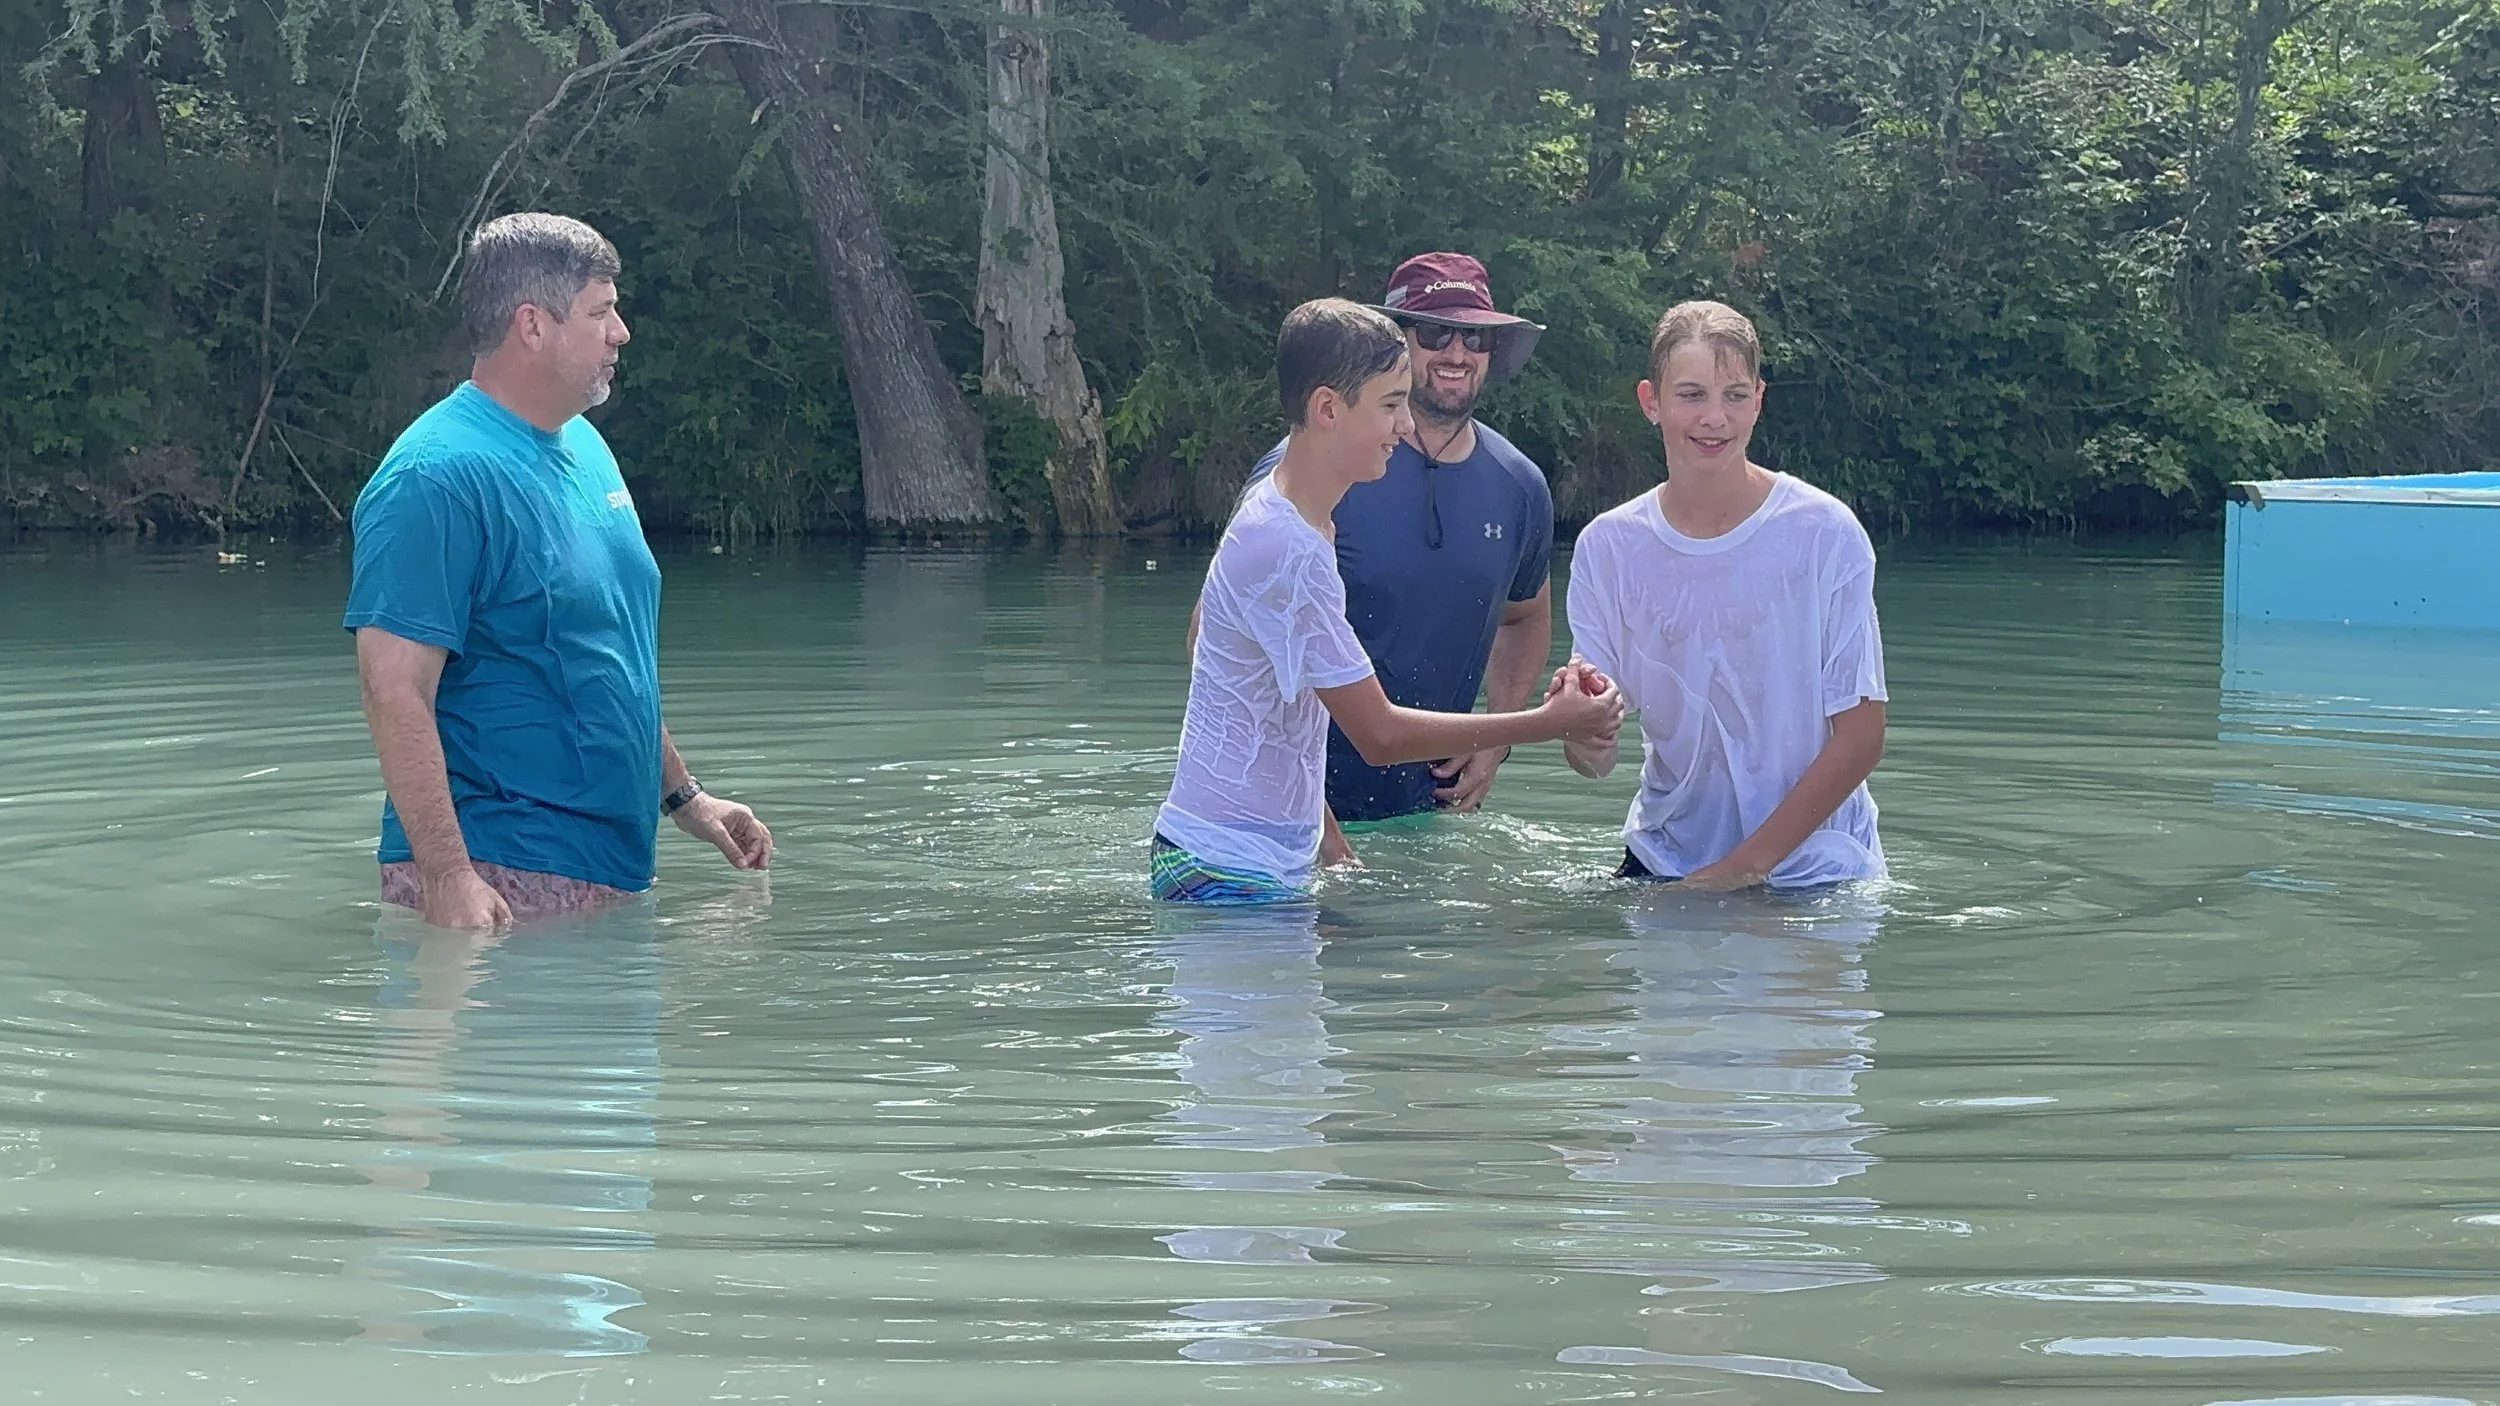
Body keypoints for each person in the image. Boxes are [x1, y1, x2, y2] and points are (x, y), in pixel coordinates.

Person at [344, 212, 772, 929]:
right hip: (503, 878)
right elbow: (393, 688)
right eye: (601, 311)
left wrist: (685, 798)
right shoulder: (436, 478)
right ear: (533, 326)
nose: (621, 330)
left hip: (606, 870)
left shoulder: (584, 447)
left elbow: (605, 651)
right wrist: (449, 877)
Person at [1152, 298, 1622, 906]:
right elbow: (1377, 734)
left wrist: (1330, 846)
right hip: (1229, 869)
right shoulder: (1289, 548)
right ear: (1327, 410)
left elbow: (1282, 716)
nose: (1405, 427)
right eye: (1391, 405)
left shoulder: (1300, 522)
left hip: (1243, 857)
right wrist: (1549, 723)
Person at [1229, 253, 1556, 859]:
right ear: (1397, 344)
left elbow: (1527, 614)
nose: (1457, 352)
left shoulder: (1520, 485)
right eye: (1434, 332)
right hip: (1293, 826)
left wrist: (1494, 740)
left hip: (1430, 826)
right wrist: (1309, 810)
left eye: (1475, 336)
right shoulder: (1313, 467)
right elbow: (1218, 643)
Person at [1563, 300, 1887, 890]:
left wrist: (1742, 870)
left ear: (1758, 401)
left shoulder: (1826, 533)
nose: (1714, 417)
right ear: (1650, 402)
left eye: (1734, 395)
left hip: (1816, 868)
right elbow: (1595, 762)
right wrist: (1582, 727)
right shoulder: (1608, 548)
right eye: (1691, 395)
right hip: (1667, 861)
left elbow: (1862, 737)